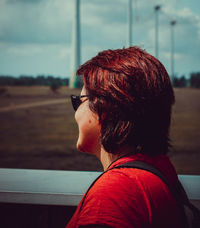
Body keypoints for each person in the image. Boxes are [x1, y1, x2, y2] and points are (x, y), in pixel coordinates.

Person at [66, 46, 183, 228]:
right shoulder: (160, 171)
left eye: (78, 101)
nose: (75, 113)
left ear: (103, 109)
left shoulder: (115, 192)